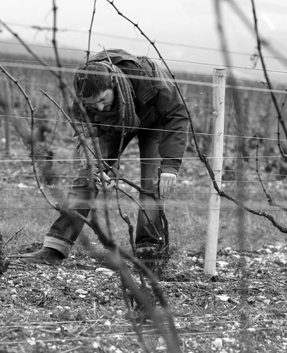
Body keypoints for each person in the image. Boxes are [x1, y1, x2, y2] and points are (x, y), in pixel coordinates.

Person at [20, 49, 188, 265]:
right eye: (93, 104)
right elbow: (85, 134)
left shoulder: (147, 77)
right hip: (111, 125)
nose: (99, 106)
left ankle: (149, 249)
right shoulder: (83, 95)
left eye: (102, 99)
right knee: (88, 177)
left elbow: (176, 114)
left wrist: (170, 166)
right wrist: (96, 166)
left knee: (152, 181)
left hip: (153, 122)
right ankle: (55, 248)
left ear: (114, 84)